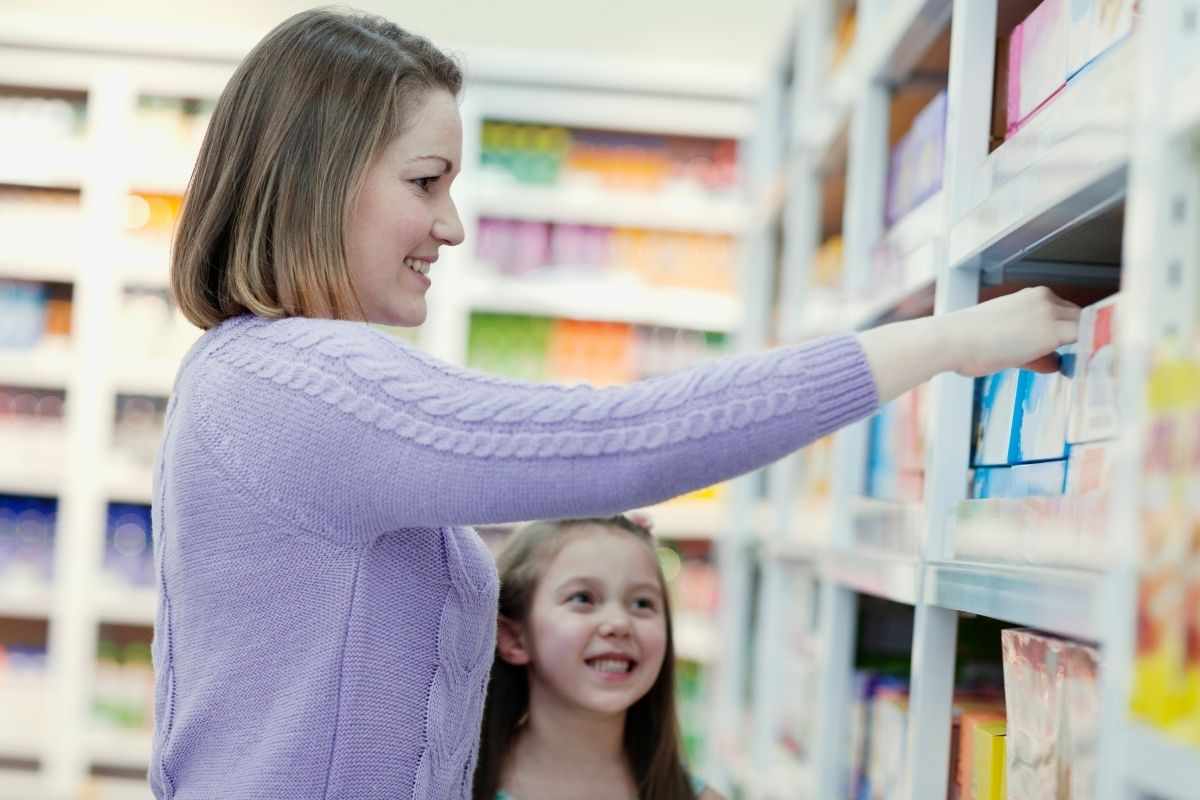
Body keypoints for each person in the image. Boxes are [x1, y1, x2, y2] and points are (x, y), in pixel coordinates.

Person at [154, 7, 1080, 800]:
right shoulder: (294, 384)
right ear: (321, 181)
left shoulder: (258, 379)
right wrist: (942, 343)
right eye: (425, 182)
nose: (452, 224)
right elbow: (615, 440)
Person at [474, 515, 724, 800]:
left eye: (642, 603)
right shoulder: (452, 787)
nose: (619, 624)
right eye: (583, 599)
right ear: (513, 637)